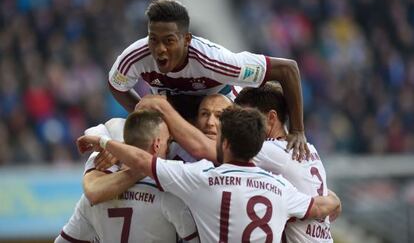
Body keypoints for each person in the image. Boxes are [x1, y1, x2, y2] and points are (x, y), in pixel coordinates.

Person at [77, 107, 341, 242]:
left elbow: (145, 161)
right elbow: (319, 206)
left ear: (224, 143)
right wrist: (334, 199)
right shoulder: (281, 188)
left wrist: (104, 143)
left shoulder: (200, 177)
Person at [108, 0, 309, 158]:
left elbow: (287, 69)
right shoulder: (135, 57)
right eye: (153, 40)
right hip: (174, 111)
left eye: (169, 41)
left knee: (216, 120)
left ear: (186, 40)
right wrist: (150, 119)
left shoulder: (216, 61)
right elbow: (116, 85)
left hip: (218, 112)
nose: (160, 49)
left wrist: (298, 130)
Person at [56, 111, 199, 243]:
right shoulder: (169, 193)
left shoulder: (88, 201)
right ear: (156, 145)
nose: (169, 149)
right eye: (168, 142)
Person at [235, 82, 338, 242]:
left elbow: (214, 150)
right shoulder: (311, 149)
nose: (240, 126)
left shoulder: (269, 150)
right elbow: (334, 206)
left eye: (248, 118)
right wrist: (333, 200)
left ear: (271, 118)